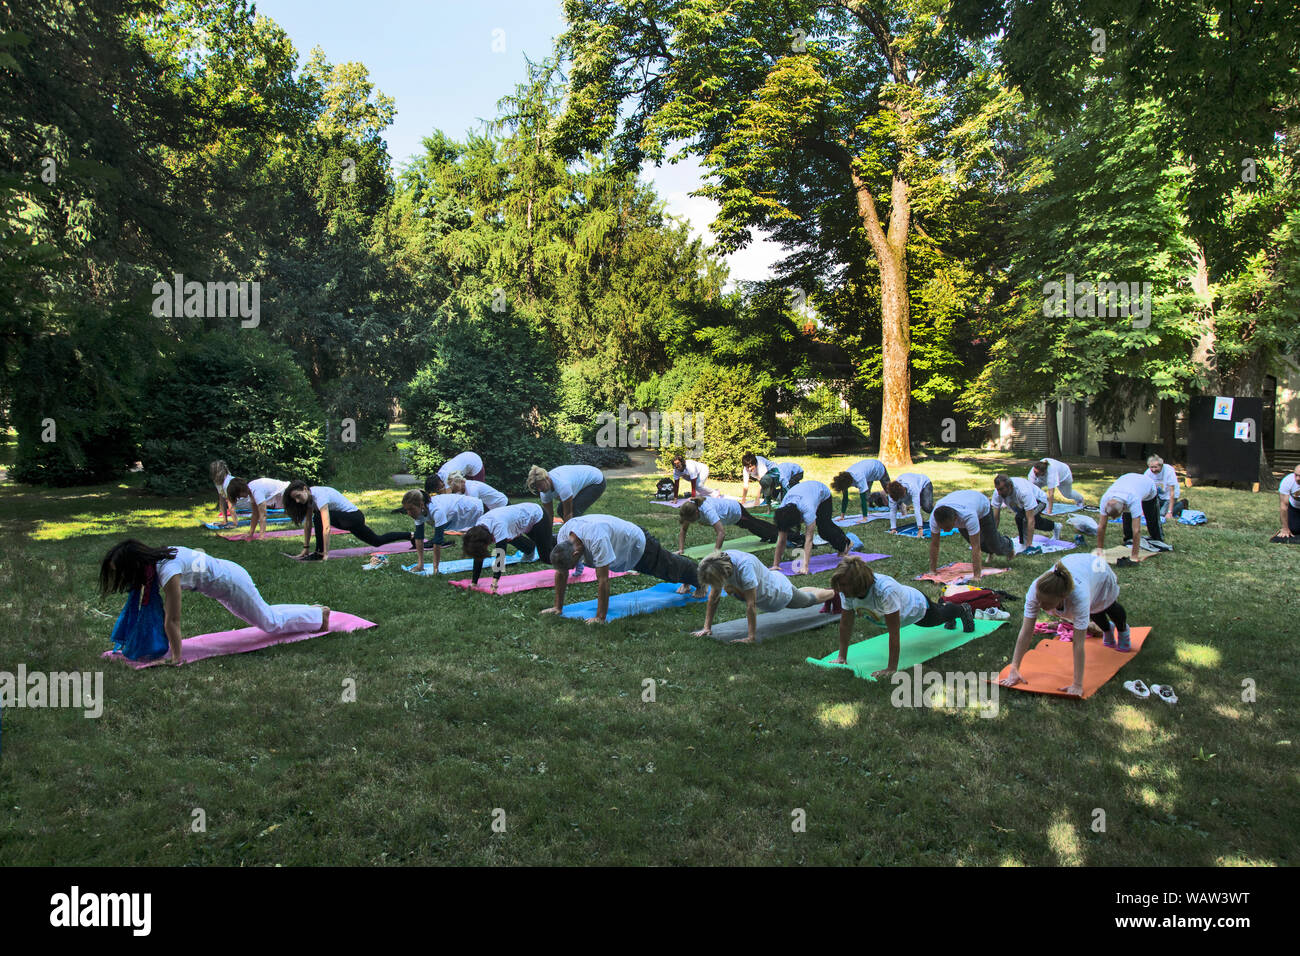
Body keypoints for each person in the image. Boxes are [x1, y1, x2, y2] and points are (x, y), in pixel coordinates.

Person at [100, 540, 328, 665]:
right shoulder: (158, 560)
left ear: (135, 565)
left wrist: (177, 657)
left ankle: (320, 617)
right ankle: (312, 611)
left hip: (231, 584)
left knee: (269, 623)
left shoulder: (168, 571)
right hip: (225, 579)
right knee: (264, 612)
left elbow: (173, 619)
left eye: (121, 572)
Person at [999, 554, 1128, 697]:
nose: (1041, 606)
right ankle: (1107, 630)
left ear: (1063, 598)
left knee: (1106, 606)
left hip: (1097, 570)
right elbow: (1026, 631)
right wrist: (1014, 667)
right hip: (1076, 567)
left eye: (1047, 604)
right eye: (1040, 601)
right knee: (1093, 611)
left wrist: (1077, 684)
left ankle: (1123, 630)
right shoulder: (1036, 590)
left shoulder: (1080, 597)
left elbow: (1078, 644)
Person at [826, 555, 973, 676]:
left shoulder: (885, 591)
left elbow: (894, 632)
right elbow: (846, 624)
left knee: (938, 618)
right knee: (941, 612)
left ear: (857, 583)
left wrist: (891, 668)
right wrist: (842, 657)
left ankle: (961, 609)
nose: (840, 589)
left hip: (916, 608)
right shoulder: (847, 590)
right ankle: (945, 607)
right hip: (900, 602)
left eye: (843, 585)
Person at [543, 514, 700, 624]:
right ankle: (688, 580)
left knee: (670, 571)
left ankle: (701, 578)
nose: (570, 570)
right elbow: (561, 573)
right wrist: (557, 607)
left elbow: (603, 580)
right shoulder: (563, 536)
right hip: (623, 552)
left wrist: (600, 617)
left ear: (576, 553)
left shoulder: (596, 539)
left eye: (572, 566)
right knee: (671, 570)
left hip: (639, 547)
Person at [691, 550, 835, 643]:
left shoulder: (744, 568)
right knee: (800, 593)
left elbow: (751, 605)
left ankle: (835, 592)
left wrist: (751, 637)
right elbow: (713, 597)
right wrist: (706, 628)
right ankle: (826, 591)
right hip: (775, 581)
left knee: (809, 600)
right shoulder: (717, 561)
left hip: (777, 596)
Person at [284, 481, 412, 560]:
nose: (297, 501)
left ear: (305, 489)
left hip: (353, 517)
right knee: (376, 541)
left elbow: (326, 527)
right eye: (295, 499)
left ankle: (319, 552)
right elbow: (307, 524)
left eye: (298, 496)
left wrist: (325, 553)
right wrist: (305, 548)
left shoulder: (319, 495)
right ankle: (410, 535)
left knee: (318, 517)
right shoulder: (310, 498)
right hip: (347, 518)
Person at [461, 502, 555, 590]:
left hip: (537, 515)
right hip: (526, 520)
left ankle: (568, 563)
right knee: (547, 543)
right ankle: (561, 541)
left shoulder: (498, 525)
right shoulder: (479, 527)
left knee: (546, 556)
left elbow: (500, 554)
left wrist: (495, 581)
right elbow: (478, 556)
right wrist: (474, 582)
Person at [928, 489, 1015, 580]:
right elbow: (935, 544)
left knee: (994, 544)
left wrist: (977, 576)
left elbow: (975, 547)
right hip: (964, 501)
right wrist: (932, 570)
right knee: (981, 543)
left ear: (955, 519)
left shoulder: (968, 515)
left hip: (983, 509)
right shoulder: (934, 518)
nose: (945, 531)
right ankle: (990, 552)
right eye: (942, 527)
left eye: (947, 527)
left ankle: (1008, 544)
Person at [770, 480, 852, 574]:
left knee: (824, 528)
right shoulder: (782, 511)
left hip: (822, 493)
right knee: (786, 535)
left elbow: (809, 539)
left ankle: (847, 543)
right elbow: (781, 540)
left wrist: (805, 566)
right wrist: (776, 565)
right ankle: (842, 546)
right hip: (806, 493)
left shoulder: (807, 509)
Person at [400, 489, 484, 573]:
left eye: (411, 509)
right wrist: (420, 565)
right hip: (459, 516)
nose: (409, 513)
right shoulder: (418, 511)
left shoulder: (437, 510)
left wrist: (435, 569)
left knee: (487, 538)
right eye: (406, 510)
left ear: (421, 504)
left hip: (476, 509)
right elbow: (419, 537)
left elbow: (438, 540)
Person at [1096, 472, 1166, 560]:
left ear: (1124, 507)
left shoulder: (1133, 499)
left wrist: (1134, 556)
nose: (1113, 519)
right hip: (1127, 481)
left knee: (1151, 516)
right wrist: (1099, 550)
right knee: (1127, 519)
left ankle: (1157, 538)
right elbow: (1101, 527)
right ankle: (1129, 540)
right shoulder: (1105, 499)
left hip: (1148, 487)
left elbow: (1137, 530)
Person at [676, 496, 778, 553]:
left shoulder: (707, 511)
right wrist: (681, 549)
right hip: (728, 515)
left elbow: (721, 533)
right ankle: (769, 534)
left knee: (752, 524)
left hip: (734, 510)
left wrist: (716, 553)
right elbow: (683, 530)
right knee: (752, 524)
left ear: (697, 513)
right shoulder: (689, 510)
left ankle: (776, 534)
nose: (689, 522)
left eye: (690, 520)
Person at [991, 473, 1058, 549]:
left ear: (1009, 486)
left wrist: (1029, 545)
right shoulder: (998, 493)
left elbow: (1031, 520)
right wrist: (992, 539)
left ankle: (1025, 545)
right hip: (1021, 504)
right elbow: (996, 518)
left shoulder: (1023, 491)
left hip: (1039, 500)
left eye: (1001, 489)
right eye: (997, 489)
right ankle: (1055, 526)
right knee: (1031, 521)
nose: (999, 493)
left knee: (1023, 519)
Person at [526, 464, 606, 525]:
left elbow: (568, 514)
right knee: (561, 510)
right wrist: (547, 538)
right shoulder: (544, 492)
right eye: (537, 487)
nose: (539, 490)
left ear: (547, 478)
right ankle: (576, 536)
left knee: (573, 512)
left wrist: (565, 536)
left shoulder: (562, 485)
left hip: (596, 481)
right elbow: (549, 515)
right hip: (580, 482)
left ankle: (579, 539)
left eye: (540, 485)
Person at [224, 476, 290, 539]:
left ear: (241, 490)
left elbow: (263, 515)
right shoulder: (251, 490)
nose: (239, 498)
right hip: (282, 494)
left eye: (238, 495)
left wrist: (261, 536)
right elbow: (255, 514)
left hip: (288, 491)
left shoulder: (256, 491)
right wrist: (250, 534)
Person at [209, 460, 246, 527]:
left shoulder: (228, 482)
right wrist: (225, 521)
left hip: (244, 501)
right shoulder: (217, 483)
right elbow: (222, 500)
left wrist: (235, 524)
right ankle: (226, 521)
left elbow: (231, 505)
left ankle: (235, 522)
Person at [1146, 455, 1180, 520]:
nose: (1153, 469)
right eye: (1151, 467)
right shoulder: (1148, 473)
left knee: (1162, 514)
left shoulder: (1169, 471)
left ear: (1161, 466)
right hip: (1158, 496)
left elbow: (1172, 492)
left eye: (1156, 467)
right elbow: (1144, 490)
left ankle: (1181, 504)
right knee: (1152, 512)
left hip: (1170, 496)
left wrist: (1169, 512)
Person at [1275, 463, 1300, 539]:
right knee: (1294, 530)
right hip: (1294, 508)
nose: (1297, 479)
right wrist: (1285, 528)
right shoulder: (1287, 481)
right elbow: (1284, 506)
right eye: (1296, 475)